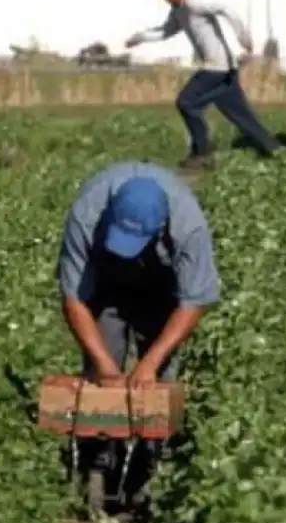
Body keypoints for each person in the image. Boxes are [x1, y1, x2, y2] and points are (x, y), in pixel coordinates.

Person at [56, 161, 220, 496]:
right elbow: (74, 298)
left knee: (159, 379)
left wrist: (150, 362)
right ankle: (100, 456)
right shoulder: (87, 214)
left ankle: (150, 462)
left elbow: (193, 302)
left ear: (160, 228)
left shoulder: (188, 227)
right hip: (107, 282)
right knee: (104, 369)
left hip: (162, 285)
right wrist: (103, 365)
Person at [125, 0, 281, 170]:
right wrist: (140, 37)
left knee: (186, 102)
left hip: (216, 67)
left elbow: (226, 10)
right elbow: (166, 31)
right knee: (240, 115)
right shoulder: (178, 12)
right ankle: (275, 151)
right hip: (224, 69)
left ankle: (202, 152)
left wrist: (243, 38)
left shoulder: (195, 5)